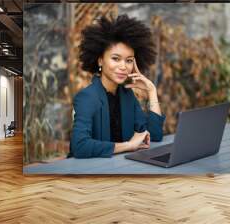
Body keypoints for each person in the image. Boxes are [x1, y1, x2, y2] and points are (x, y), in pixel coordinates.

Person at [70, 14, 165, 158]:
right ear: (100, 60)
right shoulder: (87, 97)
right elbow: (79, 146)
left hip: (120, 168)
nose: (123, 66)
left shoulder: (127, 96)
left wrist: (152, 91)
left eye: (129, 60)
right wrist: (128, 146)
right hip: (90, 172)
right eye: (116, 59)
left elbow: (155, 135)